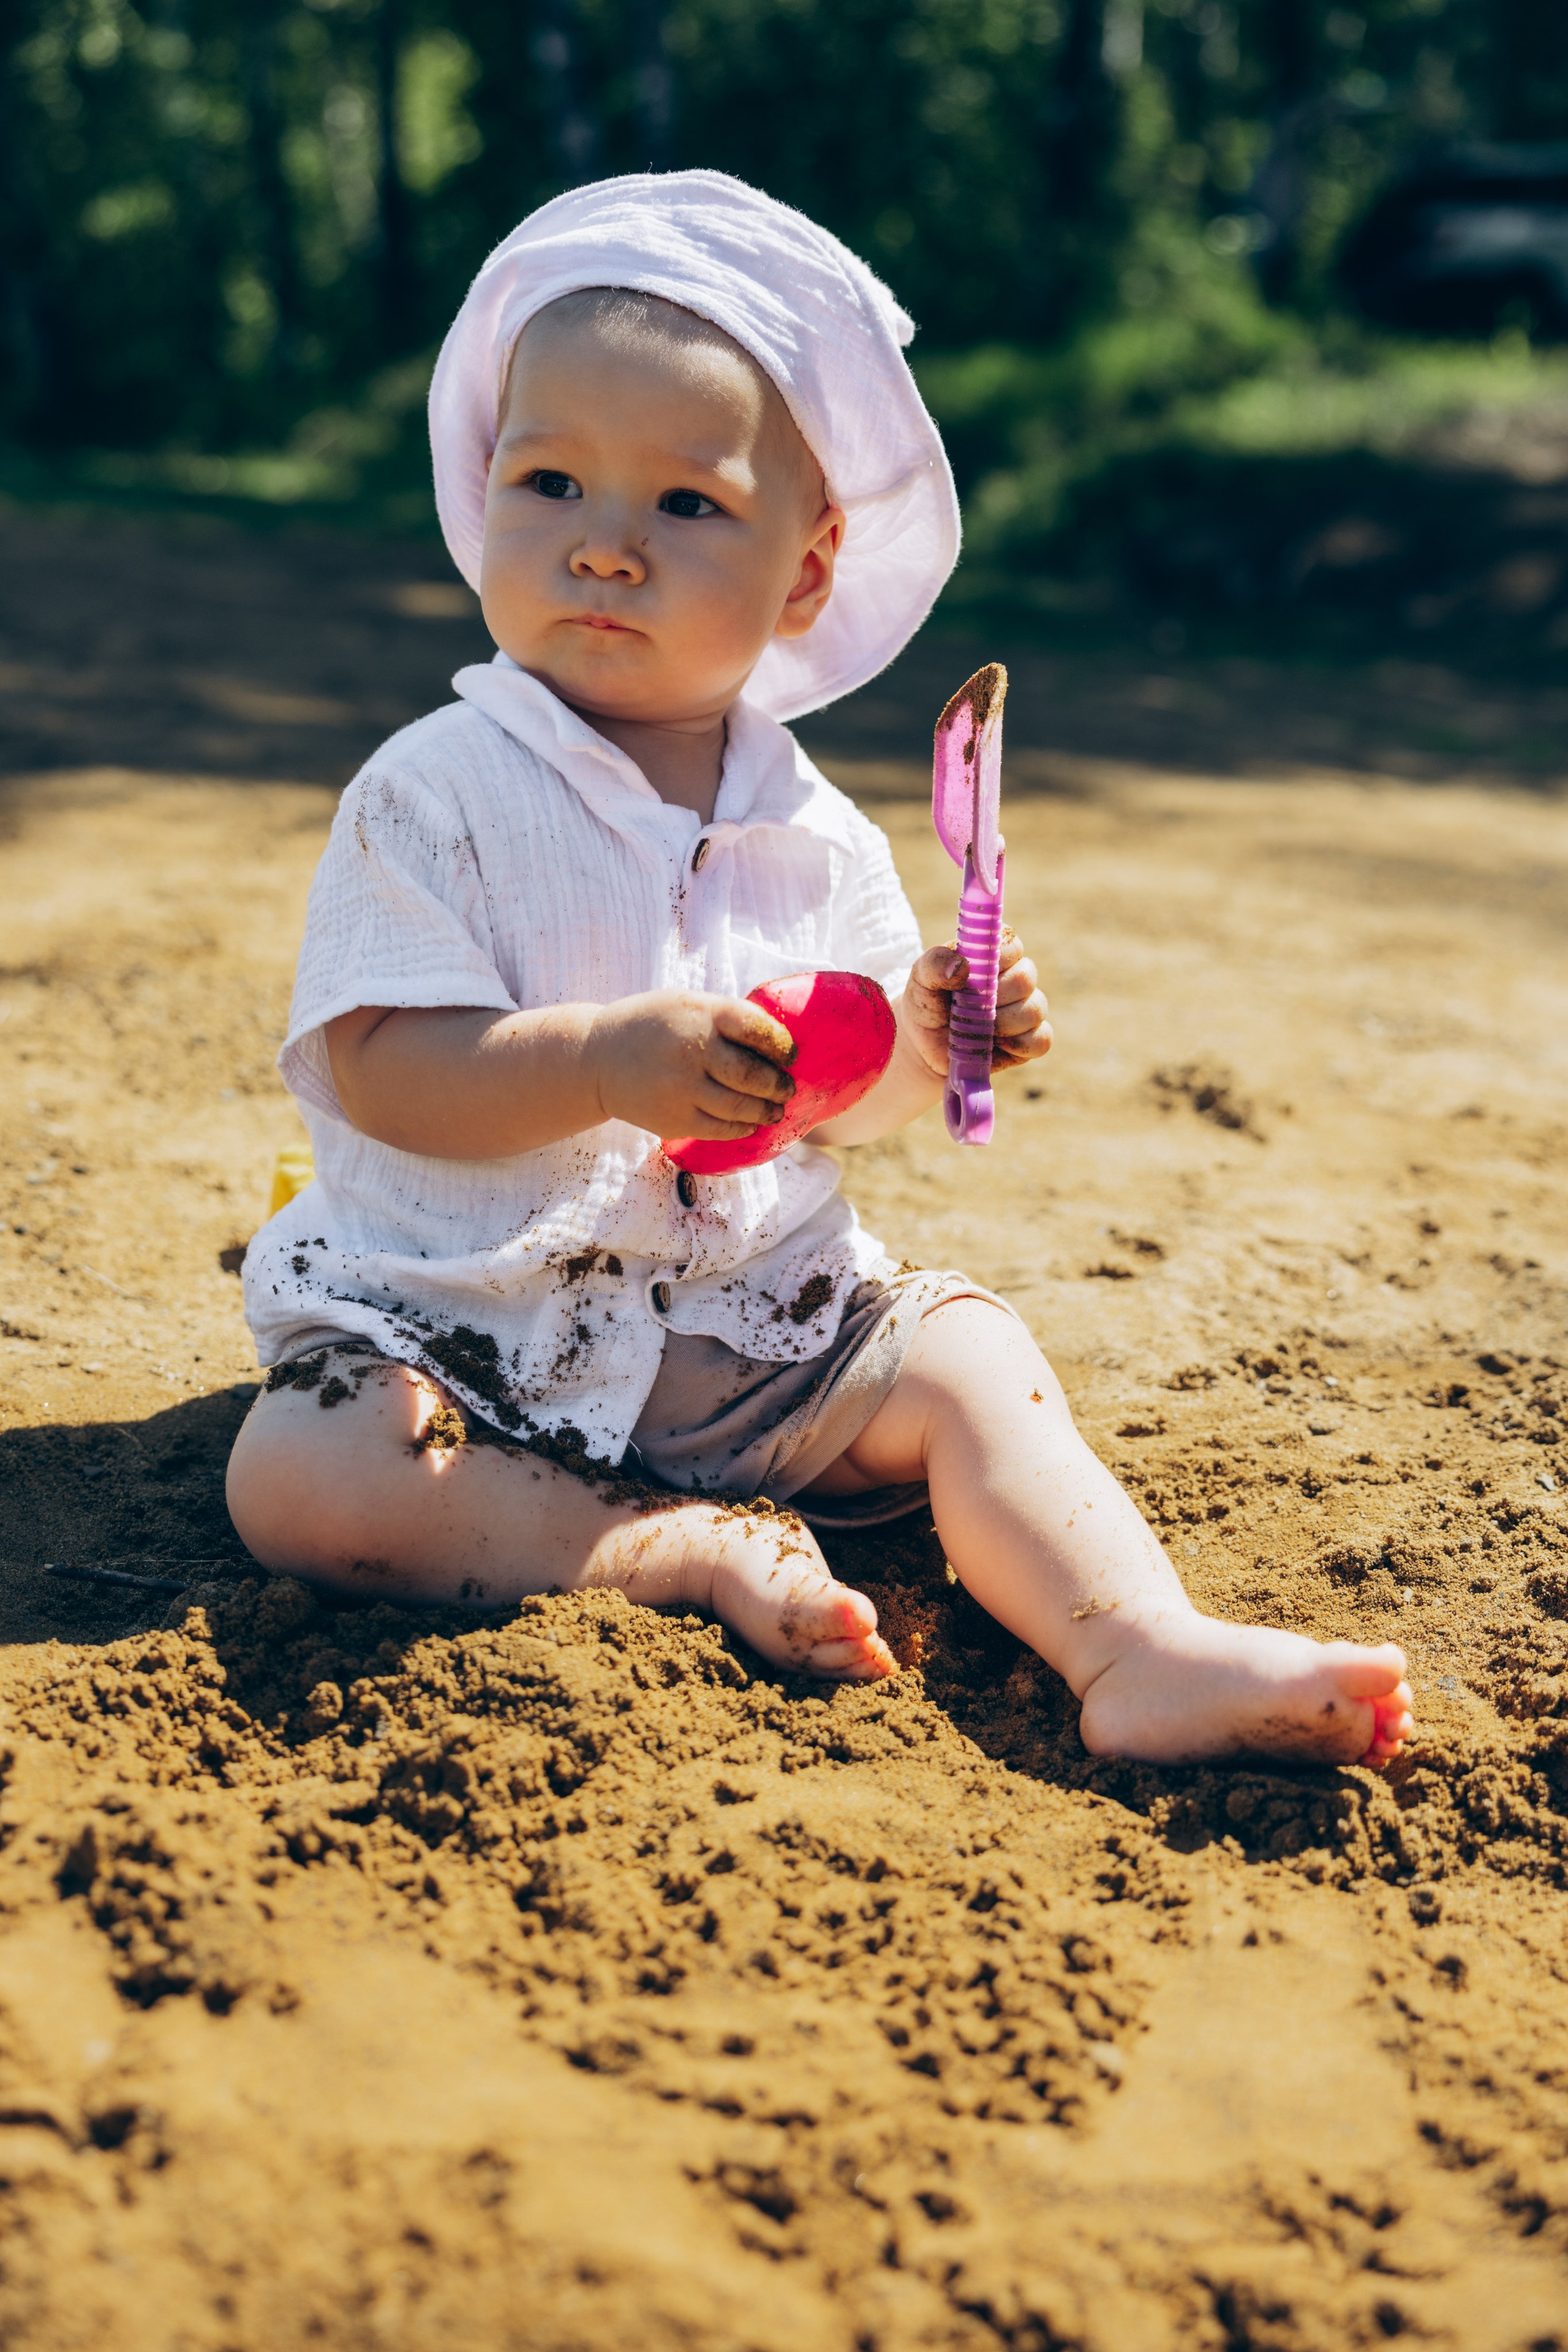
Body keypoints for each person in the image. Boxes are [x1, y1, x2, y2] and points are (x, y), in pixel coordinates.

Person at [227, 172, 1412, 1768]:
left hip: (752, 1335)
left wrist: (939, 1038)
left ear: (805, 570)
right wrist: (594, 1062)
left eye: (686, 506)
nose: (606, 550)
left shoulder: (819, 831)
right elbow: (380, 1068)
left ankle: (1136, 1643)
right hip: (462, 1336)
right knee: (304, 1478)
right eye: (552, 482)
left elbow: (854, 1105)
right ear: (481, 487)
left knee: (972, 1358)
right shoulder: (433, 790)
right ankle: (665, 1550)